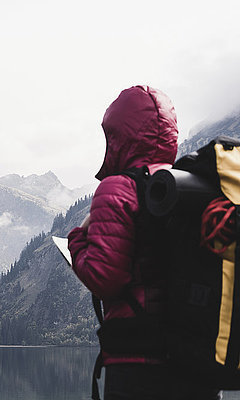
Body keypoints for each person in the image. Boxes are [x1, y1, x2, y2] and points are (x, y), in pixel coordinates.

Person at [67, 85, 220, 400]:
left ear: (119, 137)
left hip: (138, 363)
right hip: (198, 360)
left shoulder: (118, 188)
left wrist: (77, 240)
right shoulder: (195, 188)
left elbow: (105, 278)